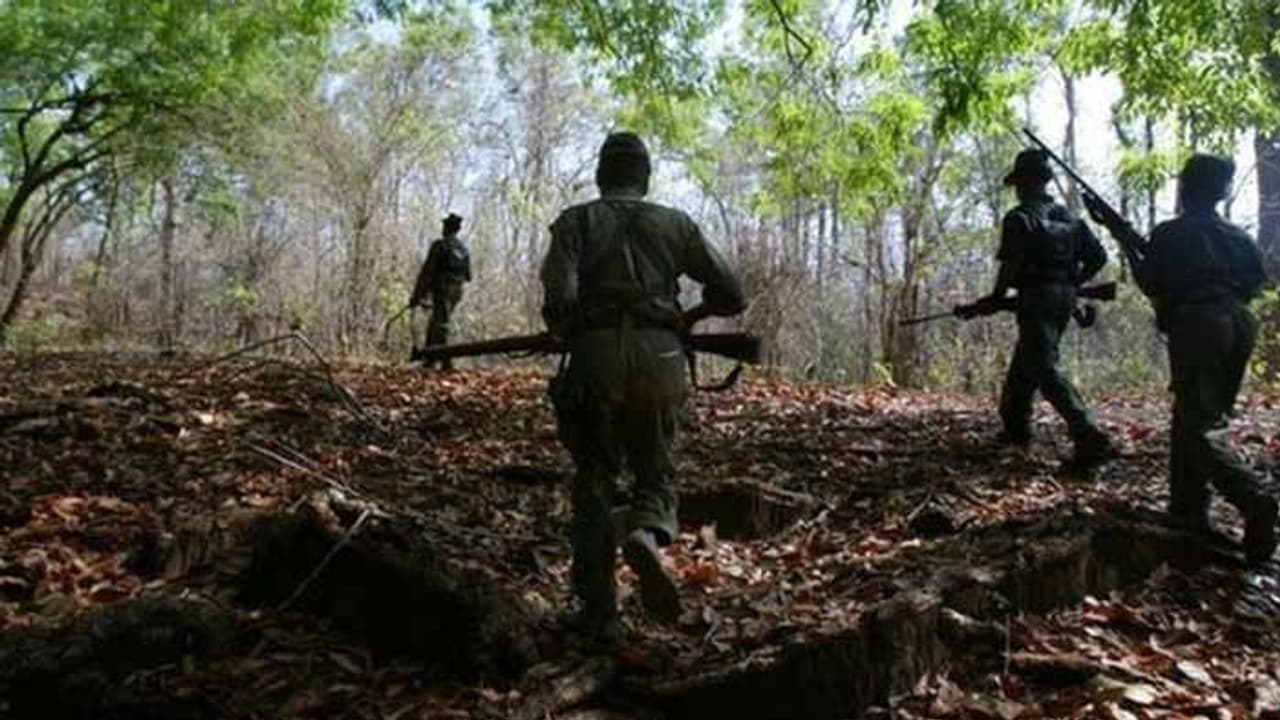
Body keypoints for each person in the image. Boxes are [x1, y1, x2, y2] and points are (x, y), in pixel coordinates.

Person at [540, 132, 745, 642]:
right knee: (655, 471)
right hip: (662, 355)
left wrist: (569, 324)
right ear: (645, 177)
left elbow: (558, 297)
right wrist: (689, 315)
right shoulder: (676, 224)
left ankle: (599, 614)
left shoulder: (576, 221)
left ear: (601, 176)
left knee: (594, 479)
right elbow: (732, 293)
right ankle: (646, 532)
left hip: (598, 355)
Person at [1085, 154, 1277, 563]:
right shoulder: (1236, 236)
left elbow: (1151, 280)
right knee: (1195, 415)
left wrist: (1123, 239)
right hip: (1239, 323)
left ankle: (1253, 498)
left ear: (1188, 187)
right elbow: (1254, 285)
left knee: (1199, 426)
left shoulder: (1172, 233)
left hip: (1200, 324)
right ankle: (1188, 510)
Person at [985, 149, 1118, 472]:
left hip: (1036, 299)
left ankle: (1090, 434)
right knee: (1027, 360)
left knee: (1045, 367)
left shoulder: (1019, 218)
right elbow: (1099, 257)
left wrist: (996, 297)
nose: (1017, 189)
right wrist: (1072, 283)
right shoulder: (1070, 218)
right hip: (1063, 299)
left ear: (1026, 183)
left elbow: (1011, 265)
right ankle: (1016, 428)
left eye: (1019, 182)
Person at [410, 213, 472, 370]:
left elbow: (427, 272)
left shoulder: (439, 245)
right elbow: (468, 275)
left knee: (441, 323)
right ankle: (430, 358)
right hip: (457, 290)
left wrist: (417, 295)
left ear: (446, 228)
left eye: (444, 226)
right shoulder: (463, 249)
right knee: (437, 321)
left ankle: (446, 360)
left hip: (443, 289)